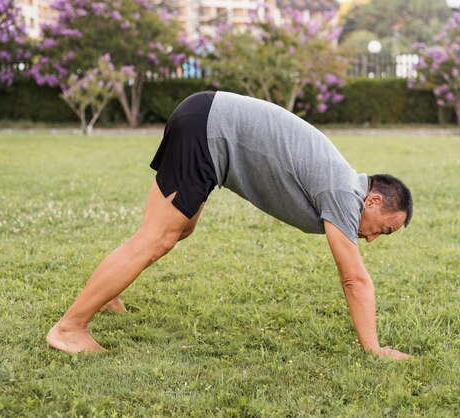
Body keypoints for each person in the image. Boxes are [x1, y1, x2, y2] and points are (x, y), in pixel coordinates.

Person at [47, 91, 413, 360]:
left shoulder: (343, 185)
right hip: (206, 130)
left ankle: (107, 289)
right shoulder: (343, 192)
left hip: (204, 121)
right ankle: (69, 329)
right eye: (382, 229)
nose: (371, 238)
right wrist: (374, 350)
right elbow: (354, 279)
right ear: (374, 200)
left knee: (175, 229)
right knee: (157, 238)